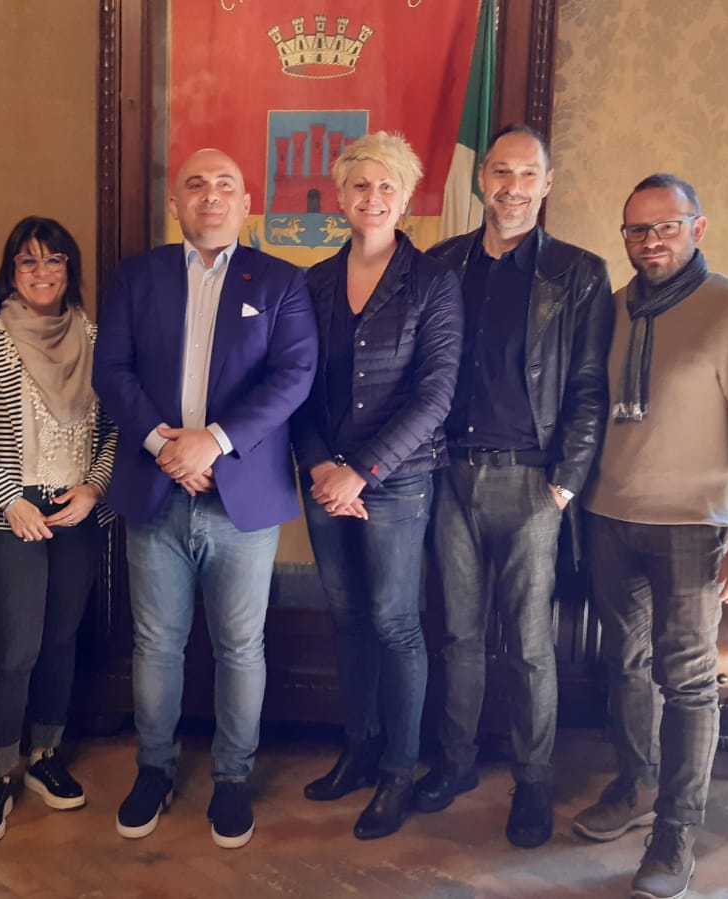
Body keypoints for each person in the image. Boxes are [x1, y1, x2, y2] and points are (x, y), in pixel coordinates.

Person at [573, 174, 728, 899]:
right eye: (636, 229)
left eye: (665, 226)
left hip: (695, 528)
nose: (650, 241)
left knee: (688, 680)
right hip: (609, 517)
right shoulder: (611, 309)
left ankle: (675, 831)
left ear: (697, 228)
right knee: (625, 665)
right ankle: (635, 787)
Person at [94, 147, 318, 849]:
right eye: (196, 185)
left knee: (240, 647)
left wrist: (212, 443)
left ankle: (231, 778)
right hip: (155, 490)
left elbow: (293, 376)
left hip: (240, 498)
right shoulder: (137, 277)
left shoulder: (281, 281)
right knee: (156, 643)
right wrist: (166, 445)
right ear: (176, 204)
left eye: (225, 184)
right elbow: (111, 370)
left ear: (246, 202)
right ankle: (153, 769)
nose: (210, 195)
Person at [417, 124, 614, 848]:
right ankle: (456, 761)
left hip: (534, 482)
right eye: (500, 171)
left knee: (530, 643)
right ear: (482, 180)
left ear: (547, 183)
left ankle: (532, 780)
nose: (512, 186)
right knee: (459, 634)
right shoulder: (442, 264)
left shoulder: (578, 273)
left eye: (527, 174)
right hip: (449, 476)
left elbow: (590, 387)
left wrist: (564, 484)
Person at [291, 132, 462, 840]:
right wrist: (319, 468)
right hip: (324, 479)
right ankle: (358, 749)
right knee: (347, 619)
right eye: (360, 184)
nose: (373, 197)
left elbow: (435, 394)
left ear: (406, 198)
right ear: (340, 195)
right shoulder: (313, 283)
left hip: (398, 481)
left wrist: (361, 472)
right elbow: (296, 388)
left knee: (394, 622)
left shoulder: (432, 282)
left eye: (387, 185)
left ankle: (397, 769)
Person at [0, 216, 118, 843]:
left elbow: (116, 428)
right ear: (11, 271)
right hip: (6, 516)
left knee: (60, 641)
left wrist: (94, 488)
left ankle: (45, 757)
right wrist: (8, 499)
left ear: (70, 270)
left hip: (75, 512)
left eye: (54, 260)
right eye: (28, 261)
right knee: (15, 648)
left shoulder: (96, 338)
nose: (42, 272)